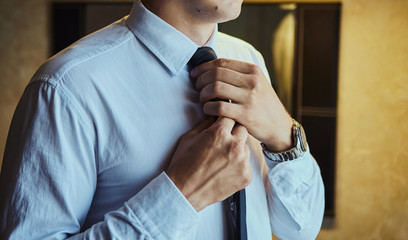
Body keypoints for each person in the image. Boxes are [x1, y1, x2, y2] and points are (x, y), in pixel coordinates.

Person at [0, 0, 325, 239]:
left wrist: (284, 136)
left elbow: (300, 229)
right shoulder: (67, 87)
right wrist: (181, 195)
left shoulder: (249, 60)